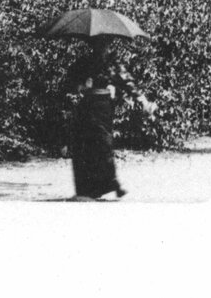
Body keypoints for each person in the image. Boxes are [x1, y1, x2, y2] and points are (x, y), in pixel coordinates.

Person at [61, 39, 149, 200]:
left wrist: (141, 99)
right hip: (88, 106)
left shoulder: (112, 63)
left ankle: (109, 183)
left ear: (108, 45)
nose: (101, 47)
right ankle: (90, 189)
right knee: (86, 145)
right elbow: (70, 81)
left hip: (102, 107)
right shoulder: (85, 62)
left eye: (103, 44)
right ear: (92, 45)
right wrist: (82, 86)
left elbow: (126, 81)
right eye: (97, 44)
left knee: (102, 143)